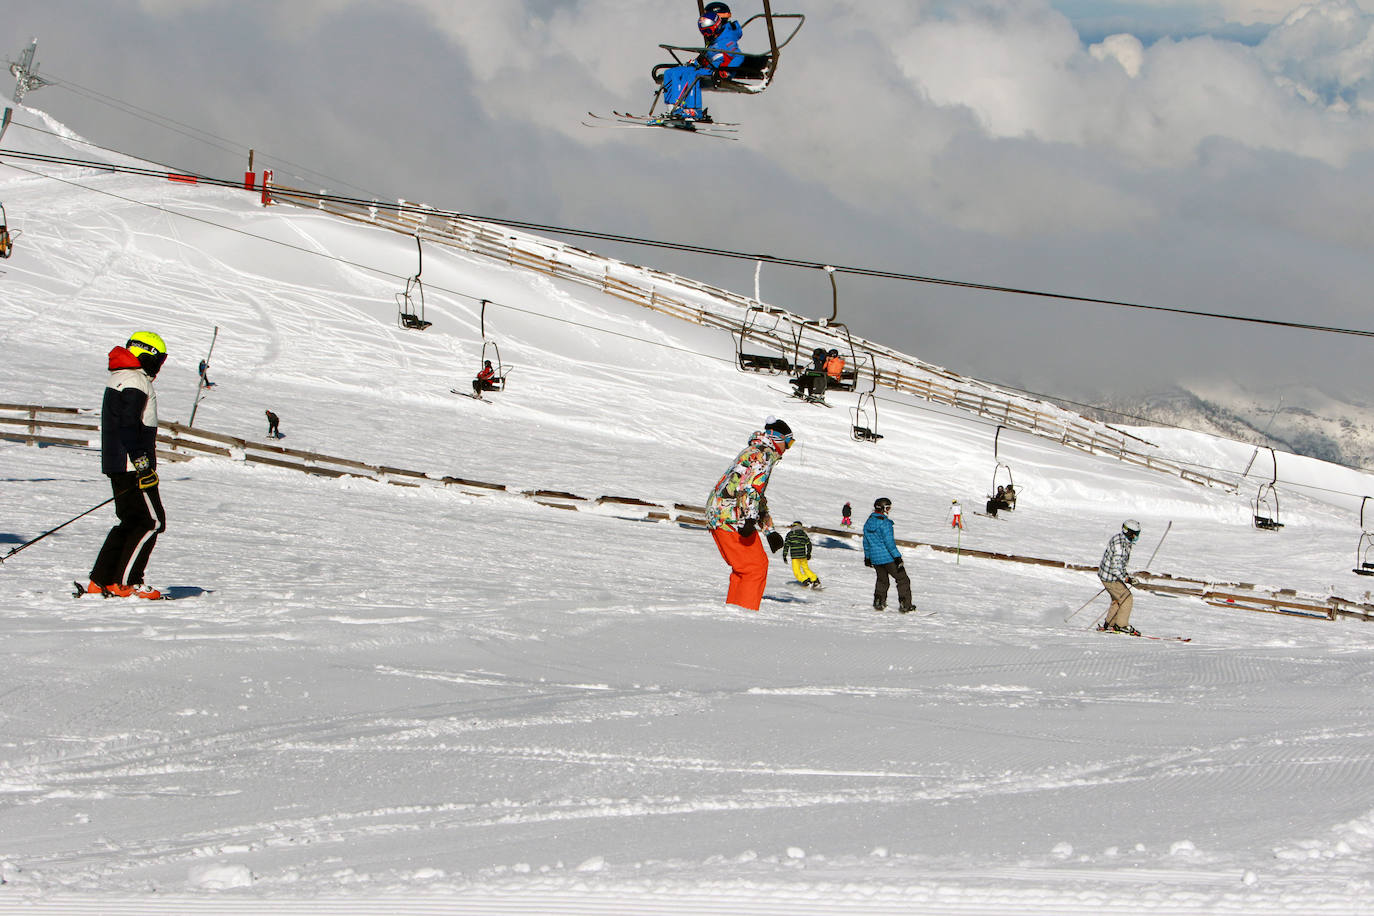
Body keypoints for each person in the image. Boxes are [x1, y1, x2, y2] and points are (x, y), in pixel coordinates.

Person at [85, 331, 168, 600]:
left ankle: (101, 580)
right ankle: (127, 582)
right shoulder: (136, 380)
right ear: (147, 355)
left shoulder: (120, 376)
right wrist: (142, 463)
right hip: (133, 465)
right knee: (152, 522)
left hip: (119, 462)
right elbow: (129, 424)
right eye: (159, 360)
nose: (159, 367)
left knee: (131, 521)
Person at [706, 417, 793, 611]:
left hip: (720, 513)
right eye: (789, 442)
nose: (788, 448)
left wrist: (769, 530)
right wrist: (748, 519)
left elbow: (755, 493)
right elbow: (750, 489)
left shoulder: (755, 451)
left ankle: (734, 612)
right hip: (731, 516)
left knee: (744, 569)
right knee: (755, 568)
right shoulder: (764, 455)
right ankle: (743, 616)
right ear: (778, 439)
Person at [654, 3, 744, 124]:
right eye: (703, 32)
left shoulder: (726, 40)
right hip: (709, 68)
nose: (706, 34)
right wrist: (696, 62)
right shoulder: (714, 39)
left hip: (718, 71)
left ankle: (694, 110)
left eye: (708, 31)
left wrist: (725, 70)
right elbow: (708, 56)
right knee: (671, 73)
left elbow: (738, 56)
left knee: (692, 75)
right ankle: (673, 109)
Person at [863, 497, 914, 613]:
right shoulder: (885, 523)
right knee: (902, 579)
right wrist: (897, 557)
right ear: (882, 508)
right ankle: (905, 604)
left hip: (876, 558)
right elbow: (889, 543)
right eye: (888, 508)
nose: (888, 511)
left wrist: (867, 557)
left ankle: (878, 601)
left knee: (882, 580)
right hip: (888, 558)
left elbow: (866, 542)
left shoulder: (868, 522)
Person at [1099, 519, 1142, 635]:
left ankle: (1110, 624)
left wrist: (1126, 576)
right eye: (1135, 534)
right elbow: (1116, 568)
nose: (1136, 537)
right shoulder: (1120, 547)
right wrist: (1127, 579)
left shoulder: (1119, 539)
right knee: (1127, 598)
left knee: (1117, 599)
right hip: (1110, 577)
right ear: (1129, 532)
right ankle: (1121, 625)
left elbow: (1118, 565)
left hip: (1107, 575)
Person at [783, 521, 821, 589]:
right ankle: (815, 580)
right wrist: (808, 553)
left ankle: (806, 581)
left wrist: (784, 555)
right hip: (803, 556)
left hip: (795, 557)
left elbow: (786, 545)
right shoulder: (803, 534)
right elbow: (809, 544)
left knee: (796, 571)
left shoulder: (790, 534)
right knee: (806, 569)